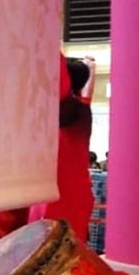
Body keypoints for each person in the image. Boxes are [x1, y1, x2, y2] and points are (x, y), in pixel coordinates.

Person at [27, 56, 96, 242]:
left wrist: (41, 49)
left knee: (56, 247)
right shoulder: (71, 109)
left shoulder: (74, 110)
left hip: (65, 192)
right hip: (49, 189)